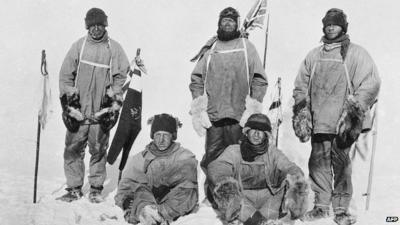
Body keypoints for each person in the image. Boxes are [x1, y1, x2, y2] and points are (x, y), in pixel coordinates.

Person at [292, 8, 381, 225]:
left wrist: (353, 109)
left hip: (342, 123)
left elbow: (371, 83)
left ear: (343, 27)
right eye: (328, 24)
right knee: (318, 164)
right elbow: (301, 85)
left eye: (335, 24)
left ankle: (341, 209)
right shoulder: (314, 55)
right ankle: (321, 206)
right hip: (319, 120)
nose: (331, 27)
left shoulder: (356, 53)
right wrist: (303, 109)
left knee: (341, 165)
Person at [189, 6, 268, 203]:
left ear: (237, 24)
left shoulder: (246, 46)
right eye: (224, 20)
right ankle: (213, 196)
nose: (227, 24)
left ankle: (239, 196)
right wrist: (200, 106)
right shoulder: (212, 48)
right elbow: (197, 78)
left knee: (239, 157)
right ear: (219, 23)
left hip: (238, 117)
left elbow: (259, 79)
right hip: (214, 116)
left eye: (231, 21)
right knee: (212, 158)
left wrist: (253, 108)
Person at [57, 7, 130, 203]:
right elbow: (65, 75)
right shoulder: (79, 47)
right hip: (79, 111)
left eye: (100, 25)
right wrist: (69, 102)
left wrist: (112, 101)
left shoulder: (114, 49)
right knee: (72, 149)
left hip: (100, 112)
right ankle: (74, 188)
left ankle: (96, 188)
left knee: (98, 149)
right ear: (87, 27)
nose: (96, 29)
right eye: (92, 25)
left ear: (105, 26)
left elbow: (121, 76)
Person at [207, 113, 309, 225]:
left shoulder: (272, 152)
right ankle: (254, 220)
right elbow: (217, 166)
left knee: (293, 181)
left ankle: (262, 220)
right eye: (253, 130)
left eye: (261, 131)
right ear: (246, 132)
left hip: (269, 202)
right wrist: (224, 180)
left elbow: (289, 167)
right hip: (242, 203)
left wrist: (296, 182)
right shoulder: (234, 151)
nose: (257, 134)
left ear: (266, 135)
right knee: (224, 185)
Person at [115, 114, 199, 225]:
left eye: (166, 135)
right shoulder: (141, 158)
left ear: (172, 136)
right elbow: (126, 186)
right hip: (148, 201)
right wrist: (127, 202)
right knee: (140, 191)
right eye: (158, 134)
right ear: (152, 136)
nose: (161, 140)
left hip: (172, 203)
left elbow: (188, 187)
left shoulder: (184, 156)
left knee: (189, 193)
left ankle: (155, 216)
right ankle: (149, 214)